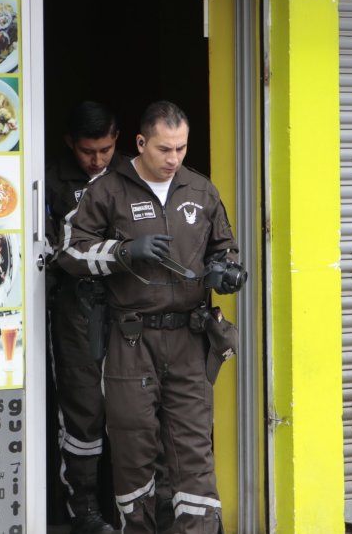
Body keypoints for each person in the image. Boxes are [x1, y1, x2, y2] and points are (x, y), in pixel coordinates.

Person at [58, 101, 245, 534]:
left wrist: (227, 271)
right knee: (134, 447)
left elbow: (224, 247)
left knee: (193, 450)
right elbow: (69, 251)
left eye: (181, 148)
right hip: (130, 341)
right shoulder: (106, 191)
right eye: (164, 149)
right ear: (141, 143)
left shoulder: (200, 190)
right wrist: (123, 253)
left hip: (189, 340)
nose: (174, 159)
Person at [46, 101, 122, 534]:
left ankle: (141, 507)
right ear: (69, 144)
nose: (97, 161)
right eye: (87, 151)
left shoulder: (133, 174)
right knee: (83, 410)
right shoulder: (50, 180)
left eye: (106, 150)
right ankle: (84, 511)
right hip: (75, 309)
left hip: (129, 309)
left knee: (135, 411)